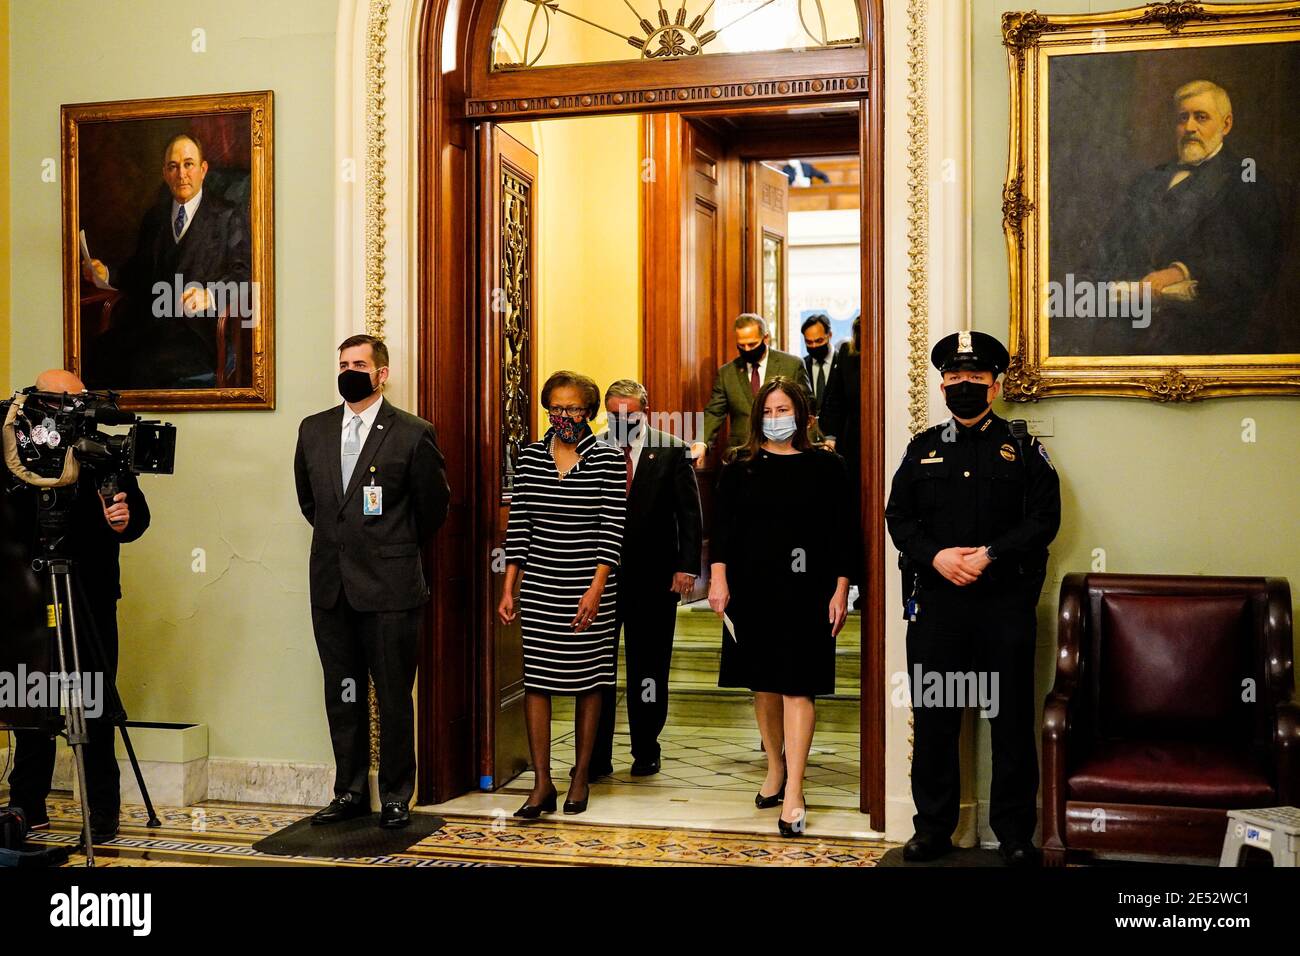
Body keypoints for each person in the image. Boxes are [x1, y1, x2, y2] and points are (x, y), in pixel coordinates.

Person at [884, 331, 1061, 867]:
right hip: (938, 608)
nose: (964, 385)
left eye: (975, 378)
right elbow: (899, 518)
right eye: (955, 378)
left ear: (995, 384)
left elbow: (1043, 521)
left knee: (1009, 722)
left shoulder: (1024, 448)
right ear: (942, 384)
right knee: (936, 718)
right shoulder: (922, 449)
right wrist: (937, 557)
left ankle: (1014, 835)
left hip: (1003, 607)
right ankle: (933, 829)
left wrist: (988, 556)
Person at [294, 334, 450, 829]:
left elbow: (432, 508)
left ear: (381, 373)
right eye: (343, 363)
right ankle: (350, 790)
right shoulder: (313, 430)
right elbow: (312, 503)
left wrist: (389, 545)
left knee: (393, 692)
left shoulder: (412, 432)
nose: (349, 371)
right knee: (342, 691)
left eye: (359, 363)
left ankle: (399, 793)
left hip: (391, 587)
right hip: (332, 585)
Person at [4, 369, 151, 843]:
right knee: (30, 698)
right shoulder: (17, 450)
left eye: (81, 400)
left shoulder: (102, 451)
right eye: (65, 400)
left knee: (92, 701)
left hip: (88, 593)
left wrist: (124, 517)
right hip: (29, 593)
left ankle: (102, 809)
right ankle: (27, 805)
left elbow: (138, 518)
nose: (75, 410)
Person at [708, 377, 852, 837]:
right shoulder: (739, 467)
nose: (775, 419)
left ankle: (795, 790)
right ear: (757, 419)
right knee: (763, 685)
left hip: (809, 591)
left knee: (798, 686)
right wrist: (718, 579)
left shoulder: (828, 467)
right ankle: (775, 767)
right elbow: (723, 532)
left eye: (783, 410)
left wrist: (842, 588)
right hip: (752, 589)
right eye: (767, 412)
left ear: (803, 415)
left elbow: (843, 533)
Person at [1070, 80, 1283, 355]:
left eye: (1201, 117)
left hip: (1203, 334)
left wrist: (1179, 271)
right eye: (1183, 118)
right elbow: (1107, 248)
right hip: (1127, 324)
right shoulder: (1148, 181)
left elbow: (1250, 262)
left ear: (1226, 125)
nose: (1190, 127)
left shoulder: (1246, 181)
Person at [497, 371, 626, 817]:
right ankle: (542, 782)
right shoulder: (530, 455)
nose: (563, 416)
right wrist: (508, 587)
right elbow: (520, 528)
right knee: (538, 684)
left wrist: (596, 588)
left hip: (590, 588)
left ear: (588, 412)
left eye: (572, 409)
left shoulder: (609, 458)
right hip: (539, 587)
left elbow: (612, 530)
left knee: (589, 682)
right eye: (555, 408)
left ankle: (580, 775)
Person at [591, 379, 702, 778]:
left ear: (645, 411)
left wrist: (687, 567)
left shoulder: (671, 449)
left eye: (630, 414)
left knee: (649, 668)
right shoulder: (593, 448)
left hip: (655, 579)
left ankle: (645, 748)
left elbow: (689, 514)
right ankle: (596, 753)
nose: (622, 421)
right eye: (614, 414)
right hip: (600, 580)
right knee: (597, 669)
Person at [83, 132, 252, 389]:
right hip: (149, 326)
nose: (181, 174)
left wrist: (211, 294)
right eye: (173, 166)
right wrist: (105, 273)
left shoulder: (227, 216)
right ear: (164, 173)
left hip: (198, 334)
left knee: (141, 366)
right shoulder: (155, 217)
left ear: (203, 169)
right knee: (96, 353)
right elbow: (139, 271)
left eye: (188, 164)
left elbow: (244, 273)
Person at [690, 314, 809, 467]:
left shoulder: (792, 365)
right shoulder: (727, 373)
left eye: (752, 345)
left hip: (785, 449)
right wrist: (700, 442)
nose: (747, 349)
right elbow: (714, 412)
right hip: (743, 454)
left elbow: (807, 407)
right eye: (741, 345)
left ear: (765, 338)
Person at [819, 316, 863, 601]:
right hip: (852, 444)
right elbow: (833, 400)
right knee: (853, 511)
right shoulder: (846, 353)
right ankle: (854, 580)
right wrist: (830, 437)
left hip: (882, 438)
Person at [800, 313, 840, 416]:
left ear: (829, 335)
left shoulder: (842, 362)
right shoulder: (801, 366)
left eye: (819, 341)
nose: (814, 346)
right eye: (809, 342)